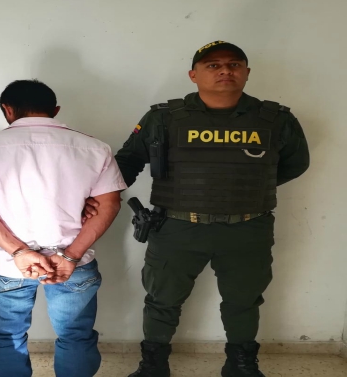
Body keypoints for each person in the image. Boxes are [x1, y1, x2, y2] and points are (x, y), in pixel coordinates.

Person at [115, 41, 310, 377]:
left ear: (246, 72)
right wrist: (95, 198)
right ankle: (153, 366)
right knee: (162, 300)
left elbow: (296, 163)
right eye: (213, 65)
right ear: (193, 75)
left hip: (247, 229)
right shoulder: (163, 118)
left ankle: (241, 365)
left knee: (244, 301)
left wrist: (247, 187)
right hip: (177, 228)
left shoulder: (276, 119)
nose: (224, 71)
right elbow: (127, 161)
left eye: (234, 64)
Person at [0, 79, 127, 377]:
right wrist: (70, 255)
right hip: (73, 262)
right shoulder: (95, 148)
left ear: (7, 110)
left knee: (7, 336)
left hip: (7, 262)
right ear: (55, 110)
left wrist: (19, 252)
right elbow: (109, 206)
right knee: (76, 336)